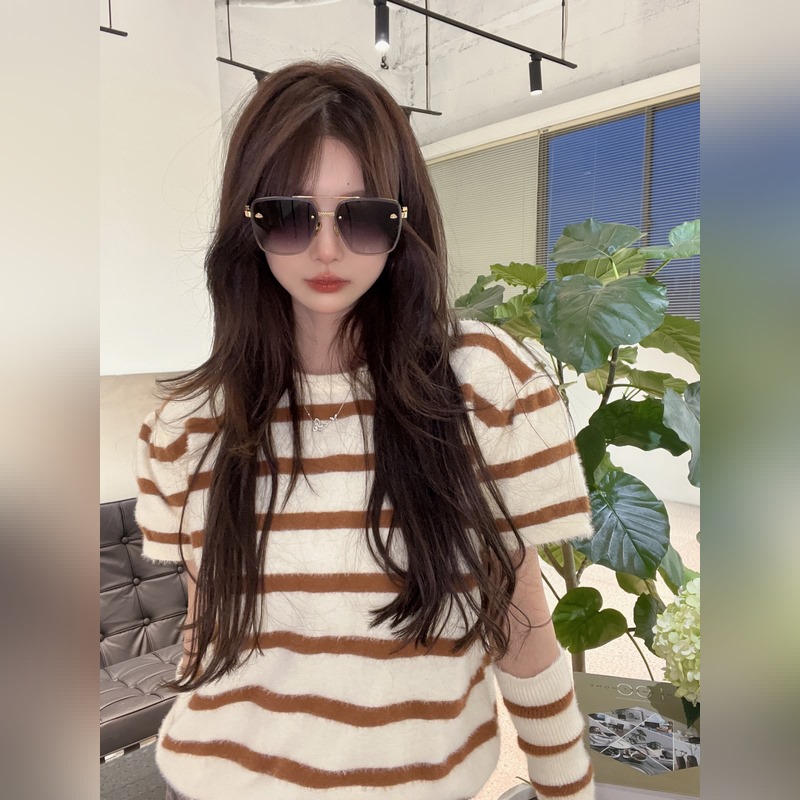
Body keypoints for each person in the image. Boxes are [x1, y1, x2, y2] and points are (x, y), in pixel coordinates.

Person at [135, 59, 596, 800]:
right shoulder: (189, 424)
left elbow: (519, 618)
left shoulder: (485, 386)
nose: (326, 249)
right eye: (289, 215)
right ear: (248, 224)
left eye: (361, 216)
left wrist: (566, 785)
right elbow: (206, 629)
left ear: (403, 221)